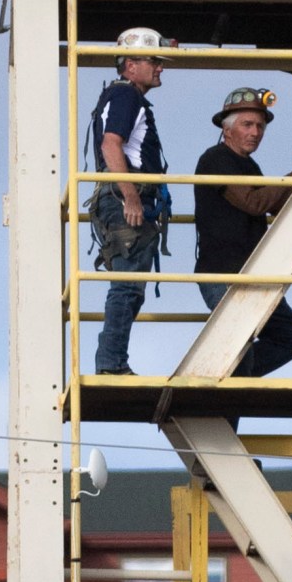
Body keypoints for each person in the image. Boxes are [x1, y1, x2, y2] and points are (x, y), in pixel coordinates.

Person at [192, 87, 292, 376]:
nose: (256, 132)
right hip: (225, 276)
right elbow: (254, 202)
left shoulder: (249, 167)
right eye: (248, 124)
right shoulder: (215, 160)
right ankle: (226, 385)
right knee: (239, 353)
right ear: (227, 129)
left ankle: (227, 381)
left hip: (252, 277)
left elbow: (276, 202)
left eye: (260, 126)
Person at [89, 26, 176, 375]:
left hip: (124, 200)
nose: (160, 67)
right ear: (130, 65)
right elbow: (112, 144)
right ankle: (111, 364)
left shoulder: (124, 96)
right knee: (126, 287)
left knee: (131, 287)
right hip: (126, 200)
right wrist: (131, 198)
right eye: (153, 60)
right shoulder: (126, 97)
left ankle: (113, 362)